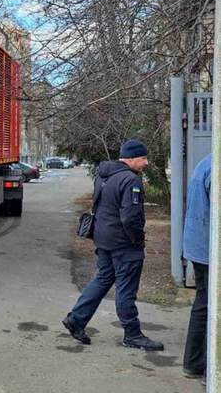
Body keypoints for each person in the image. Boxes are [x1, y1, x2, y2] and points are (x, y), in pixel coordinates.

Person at [62, 139, 164, 351]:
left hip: (104, 240)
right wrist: (138, 240)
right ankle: (132, 334)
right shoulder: (130, 180)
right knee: (126, 290)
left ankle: (76, 319)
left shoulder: (103, 176)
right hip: (123, 244)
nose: (146, 163)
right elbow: (130, 218)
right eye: (143, 158)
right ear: (133, 157)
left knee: (101, 280)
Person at [182, 153, 212, 381]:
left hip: (198, 246)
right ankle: (210, 369)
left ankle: (194, 363)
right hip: (209, 249)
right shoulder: (216, 167)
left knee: (203, 304)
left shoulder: (205, 162)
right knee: (209, 306)